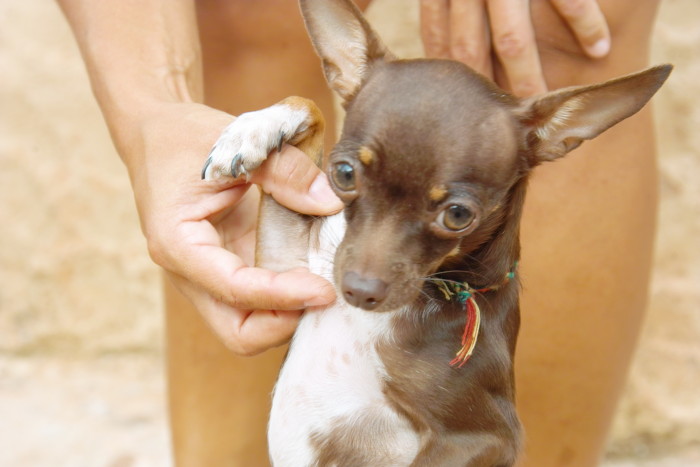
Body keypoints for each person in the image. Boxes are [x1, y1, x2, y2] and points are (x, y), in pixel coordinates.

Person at [57, 0, 662, 465]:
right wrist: (150, 116)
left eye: (453, 214)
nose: (366, 273)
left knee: (549, 24)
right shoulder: (324, 228)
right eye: (348, 176)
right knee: (246, 13)